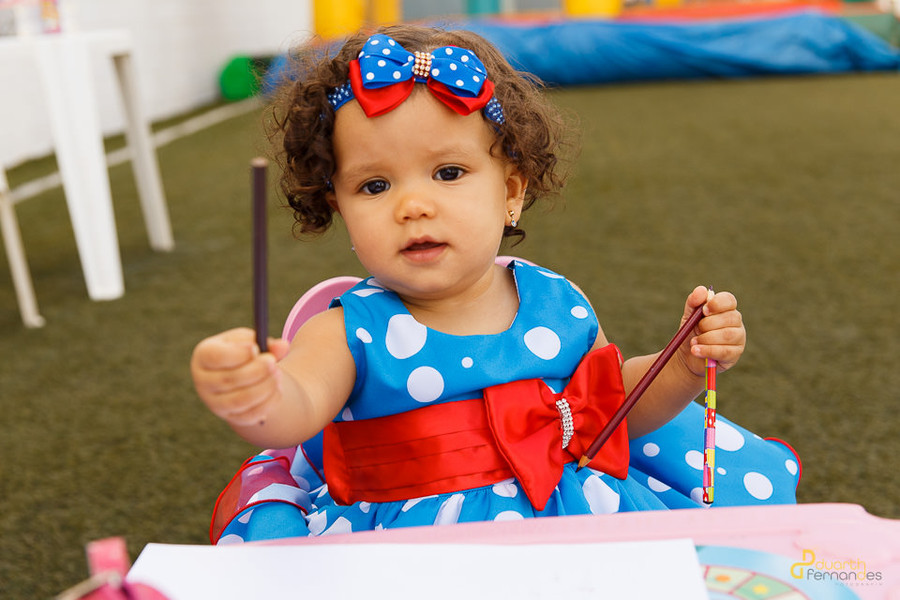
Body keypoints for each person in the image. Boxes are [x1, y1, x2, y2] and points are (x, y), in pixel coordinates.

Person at [191, 25, 800, 544]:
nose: (413, 205)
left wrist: (683, 367)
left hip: (574, 522)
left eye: (448, 172)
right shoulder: (347, 329)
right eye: (374, 186)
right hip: (413, 548)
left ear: (510, 191)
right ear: (339, 207)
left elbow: (608, 409)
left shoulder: (556, 301)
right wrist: (255, 395)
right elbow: (293, 413)